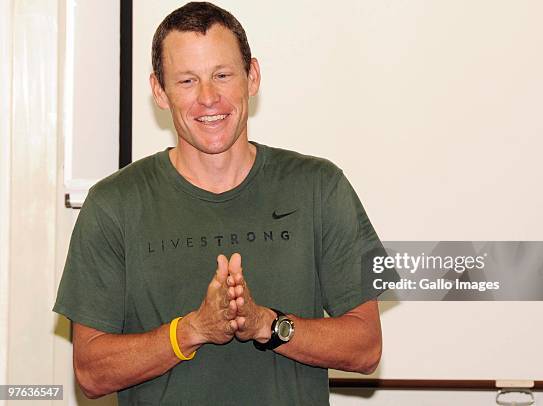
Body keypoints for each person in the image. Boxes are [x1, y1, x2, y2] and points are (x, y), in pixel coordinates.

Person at [53, 2, 384, 405]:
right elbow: (90, 371)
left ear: (253, 76)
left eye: (222, 75)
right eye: (187, 81)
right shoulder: (113, 205)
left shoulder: (320, 187)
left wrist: (266, 324)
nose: (208, 98)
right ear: (159, 90)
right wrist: (192, 330)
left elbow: (366, 347)